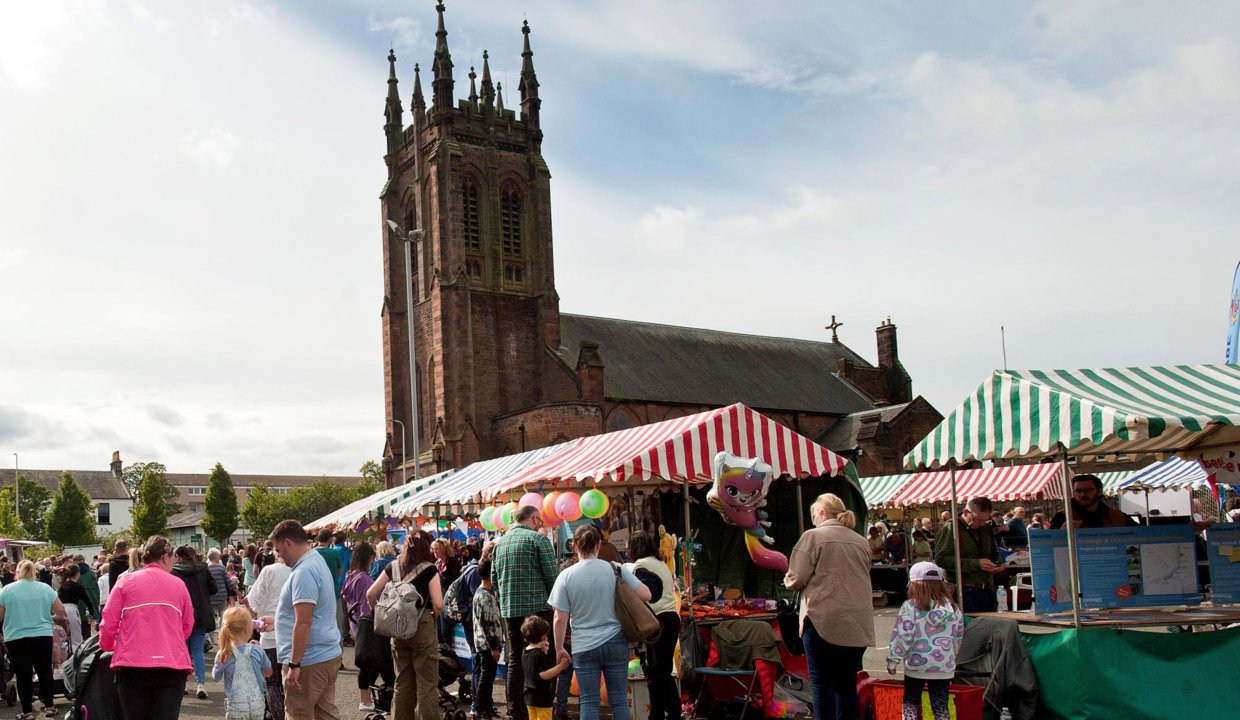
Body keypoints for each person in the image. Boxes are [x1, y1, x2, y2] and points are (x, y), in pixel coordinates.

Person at [784, 493, 875, 720]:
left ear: (823, 513)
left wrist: (787, 578)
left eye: (814, 513)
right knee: (846, 684)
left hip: (823, 619)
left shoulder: (813, 536)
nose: (813, 517)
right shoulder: (860, 541)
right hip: (857, 621)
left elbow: (796, 578)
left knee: (821, 683)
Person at [549, 524, 649, 720]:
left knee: (588, 701)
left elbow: (559, 618)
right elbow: (646, 594)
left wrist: (559, 647)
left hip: (583, 646)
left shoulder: (565, 576)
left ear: (575, 545)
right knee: (619, 700)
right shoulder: (616, 569)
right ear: (598, 545)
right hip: (616, 641)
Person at [100, 536, 195, 720]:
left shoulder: (125, 582)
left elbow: (108, 620)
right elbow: (187, 625)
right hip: (171, 665)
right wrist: (169, 639)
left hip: (132, 664)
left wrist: (108, 645)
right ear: (166, 557)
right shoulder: (178, 584)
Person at [492, 505, 562, 720]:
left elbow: (494, 581)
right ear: (533, 518)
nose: (539, 524)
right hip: (538, 609)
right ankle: (542, 705)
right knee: (543, 657)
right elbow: (553, 577)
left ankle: (516, 709)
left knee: (515, 659)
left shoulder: (499, 543)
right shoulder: (537, 540)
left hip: (510, 610)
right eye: (539, 520)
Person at [270, 520, 343, 720]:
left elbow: (304, 621)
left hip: (309, 659)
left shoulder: (304, 571)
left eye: (278, 550)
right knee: (326, 714)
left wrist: (294, 663)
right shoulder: (315, 560)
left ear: (288, 543)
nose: (278, 556)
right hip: (325, 653)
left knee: (298, 713)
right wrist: (276, 620)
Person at [366, 529, 442, 720]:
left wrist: (382, 612)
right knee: (426, 683)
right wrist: (432, 615)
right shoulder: (430, 569)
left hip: (398, 629)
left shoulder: (393, 566)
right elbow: (439, 603)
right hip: (421, 625)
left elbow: (370, 594)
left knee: (402, 682)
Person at [886, 562, 964, 720]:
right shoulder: (953, 608)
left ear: (914, 584)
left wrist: (893, 660)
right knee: (941, 705)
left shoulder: (910, 607)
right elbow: (958, 636)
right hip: (944, 666)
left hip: (916, 665)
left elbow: (903, 635)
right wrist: (951, 656)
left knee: (910, 702)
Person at [0, 560, 66, 720]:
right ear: (34, 571)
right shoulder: (44, 588)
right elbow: (60, 610)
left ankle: (27, 711)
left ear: (17, 572)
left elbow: (0, 615)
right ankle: (50, 706)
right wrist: (48, 615)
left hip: (16, 636)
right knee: (44, 670)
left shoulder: (7, 590)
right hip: (42, 634)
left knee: (23, 673)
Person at [625, 531, 680, 720]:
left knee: (656, 672)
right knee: (663, 670)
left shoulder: (641, 566)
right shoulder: (659, 562)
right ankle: (673, 711)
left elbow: (644, 594)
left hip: (657, 622)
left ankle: (658, 714)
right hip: (672, 617)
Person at [342, 542, 394, 712]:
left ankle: (367, 698)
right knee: (373, 661)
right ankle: (366, 699)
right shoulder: (364, 578)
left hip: (356, 622)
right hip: (367, 622)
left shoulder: (351, 575)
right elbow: (368, 603)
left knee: (368, 661)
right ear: (368, 557)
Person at [244, 545, 291, 720]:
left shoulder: (269, 571)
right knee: (292, 685)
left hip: (269, 636)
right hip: (294, 637)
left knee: (271, 685)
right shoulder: (299, 570)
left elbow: (253, 601)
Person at [934, 497, 1003, 613]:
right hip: (965, 591)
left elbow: (994, 554)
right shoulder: (951, 528)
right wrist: (976, 564)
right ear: (966, 512)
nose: (981, 524)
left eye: (985, 520)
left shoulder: (986, 528)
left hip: (988, 589)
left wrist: (997, 564)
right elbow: (941, 559)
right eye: (977, 519)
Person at [172, 545, 218, 700]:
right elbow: (214, 588)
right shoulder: (203, 568)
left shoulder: (175, 571)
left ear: (178, 556)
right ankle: (201, 684)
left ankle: (183, 683)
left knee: (183, 649)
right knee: (198, 649)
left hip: (182, 615)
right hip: (201, 613)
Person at [214, 605, 273, 720]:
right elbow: (268, 673)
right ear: (248, 629)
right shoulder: (257, 650)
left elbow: (216, 677)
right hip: (258, 705)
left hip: (236, 707)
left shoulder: (224, 653)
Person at [471, 558, 504, 720]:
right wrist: (494, 647)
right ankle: (480, 707)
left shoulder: (482, 591)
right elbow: (489, 623)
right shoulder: (485, 596)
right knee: (486, 676)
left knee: (488, 676)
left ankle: (486, 706)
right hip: (487, 644)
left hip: (484, 642)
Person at [522, 615, 571, 720]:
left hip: (529, 696)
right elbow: (544, 674)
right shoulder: (539, 654)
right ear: (543, 636)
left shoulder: (525, 651)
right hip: (542, 697)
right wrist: (561, 666)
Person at [1049, 475, 1136, 529]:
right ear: (1073, 493)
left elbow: (1140, 535)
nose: (1083, 494)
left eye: (1088, 490)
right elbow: (1048, 545)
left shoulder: (1118, 517)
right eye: (1078, 491)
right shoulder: (1063, 517)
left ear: (1099, 491)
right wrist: (1061, 534)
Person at [313, 529, 345, 651]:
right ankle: (338, 654)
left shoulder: (312, 553)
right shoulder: (334, 553)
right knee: (336, 624)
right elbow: (340, 571)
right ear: (330, 539)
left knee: (318, 624)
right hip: (334, 592)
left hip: (317, 594)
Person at [56, 563, 94, 649]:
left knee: (65, 635)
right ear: (77, 573)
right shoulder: (78, 587)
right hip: (72, 609)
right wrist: (91, 613)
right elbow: (87, 601)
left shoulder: (62, 586)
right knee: (76, 636)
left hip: (61, 609)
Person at [332, 532, 353, 645]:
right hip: (345, 582)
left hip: (333, 582)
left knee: (334, 610)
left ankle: (337, 633)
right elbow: (351, 565)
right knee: (345, 611)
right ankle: (345, 634)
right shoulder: (348, 552)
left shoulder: (332, 551)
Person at [208, 548, 235, 631]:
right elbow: (229, 582)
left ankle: (211, 639)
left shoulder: (206, 569)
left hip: (210, 597)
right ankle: (222, 633)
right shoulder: (221, 568)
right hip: (221, 596)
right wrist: (237, 592)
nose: (219, 558)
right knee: (223, 617)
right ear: (215, 557)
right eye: (219, 556)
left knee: (211, 618)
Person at [74, 554, 100, 635]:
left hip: (80, 602)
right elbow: (96, 588)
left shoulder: (74, 573)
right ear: (83, 560)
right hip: (91, 599)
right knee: (92, 623)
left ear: (74, 561)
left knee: (82, 623)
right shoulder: (91, 572)